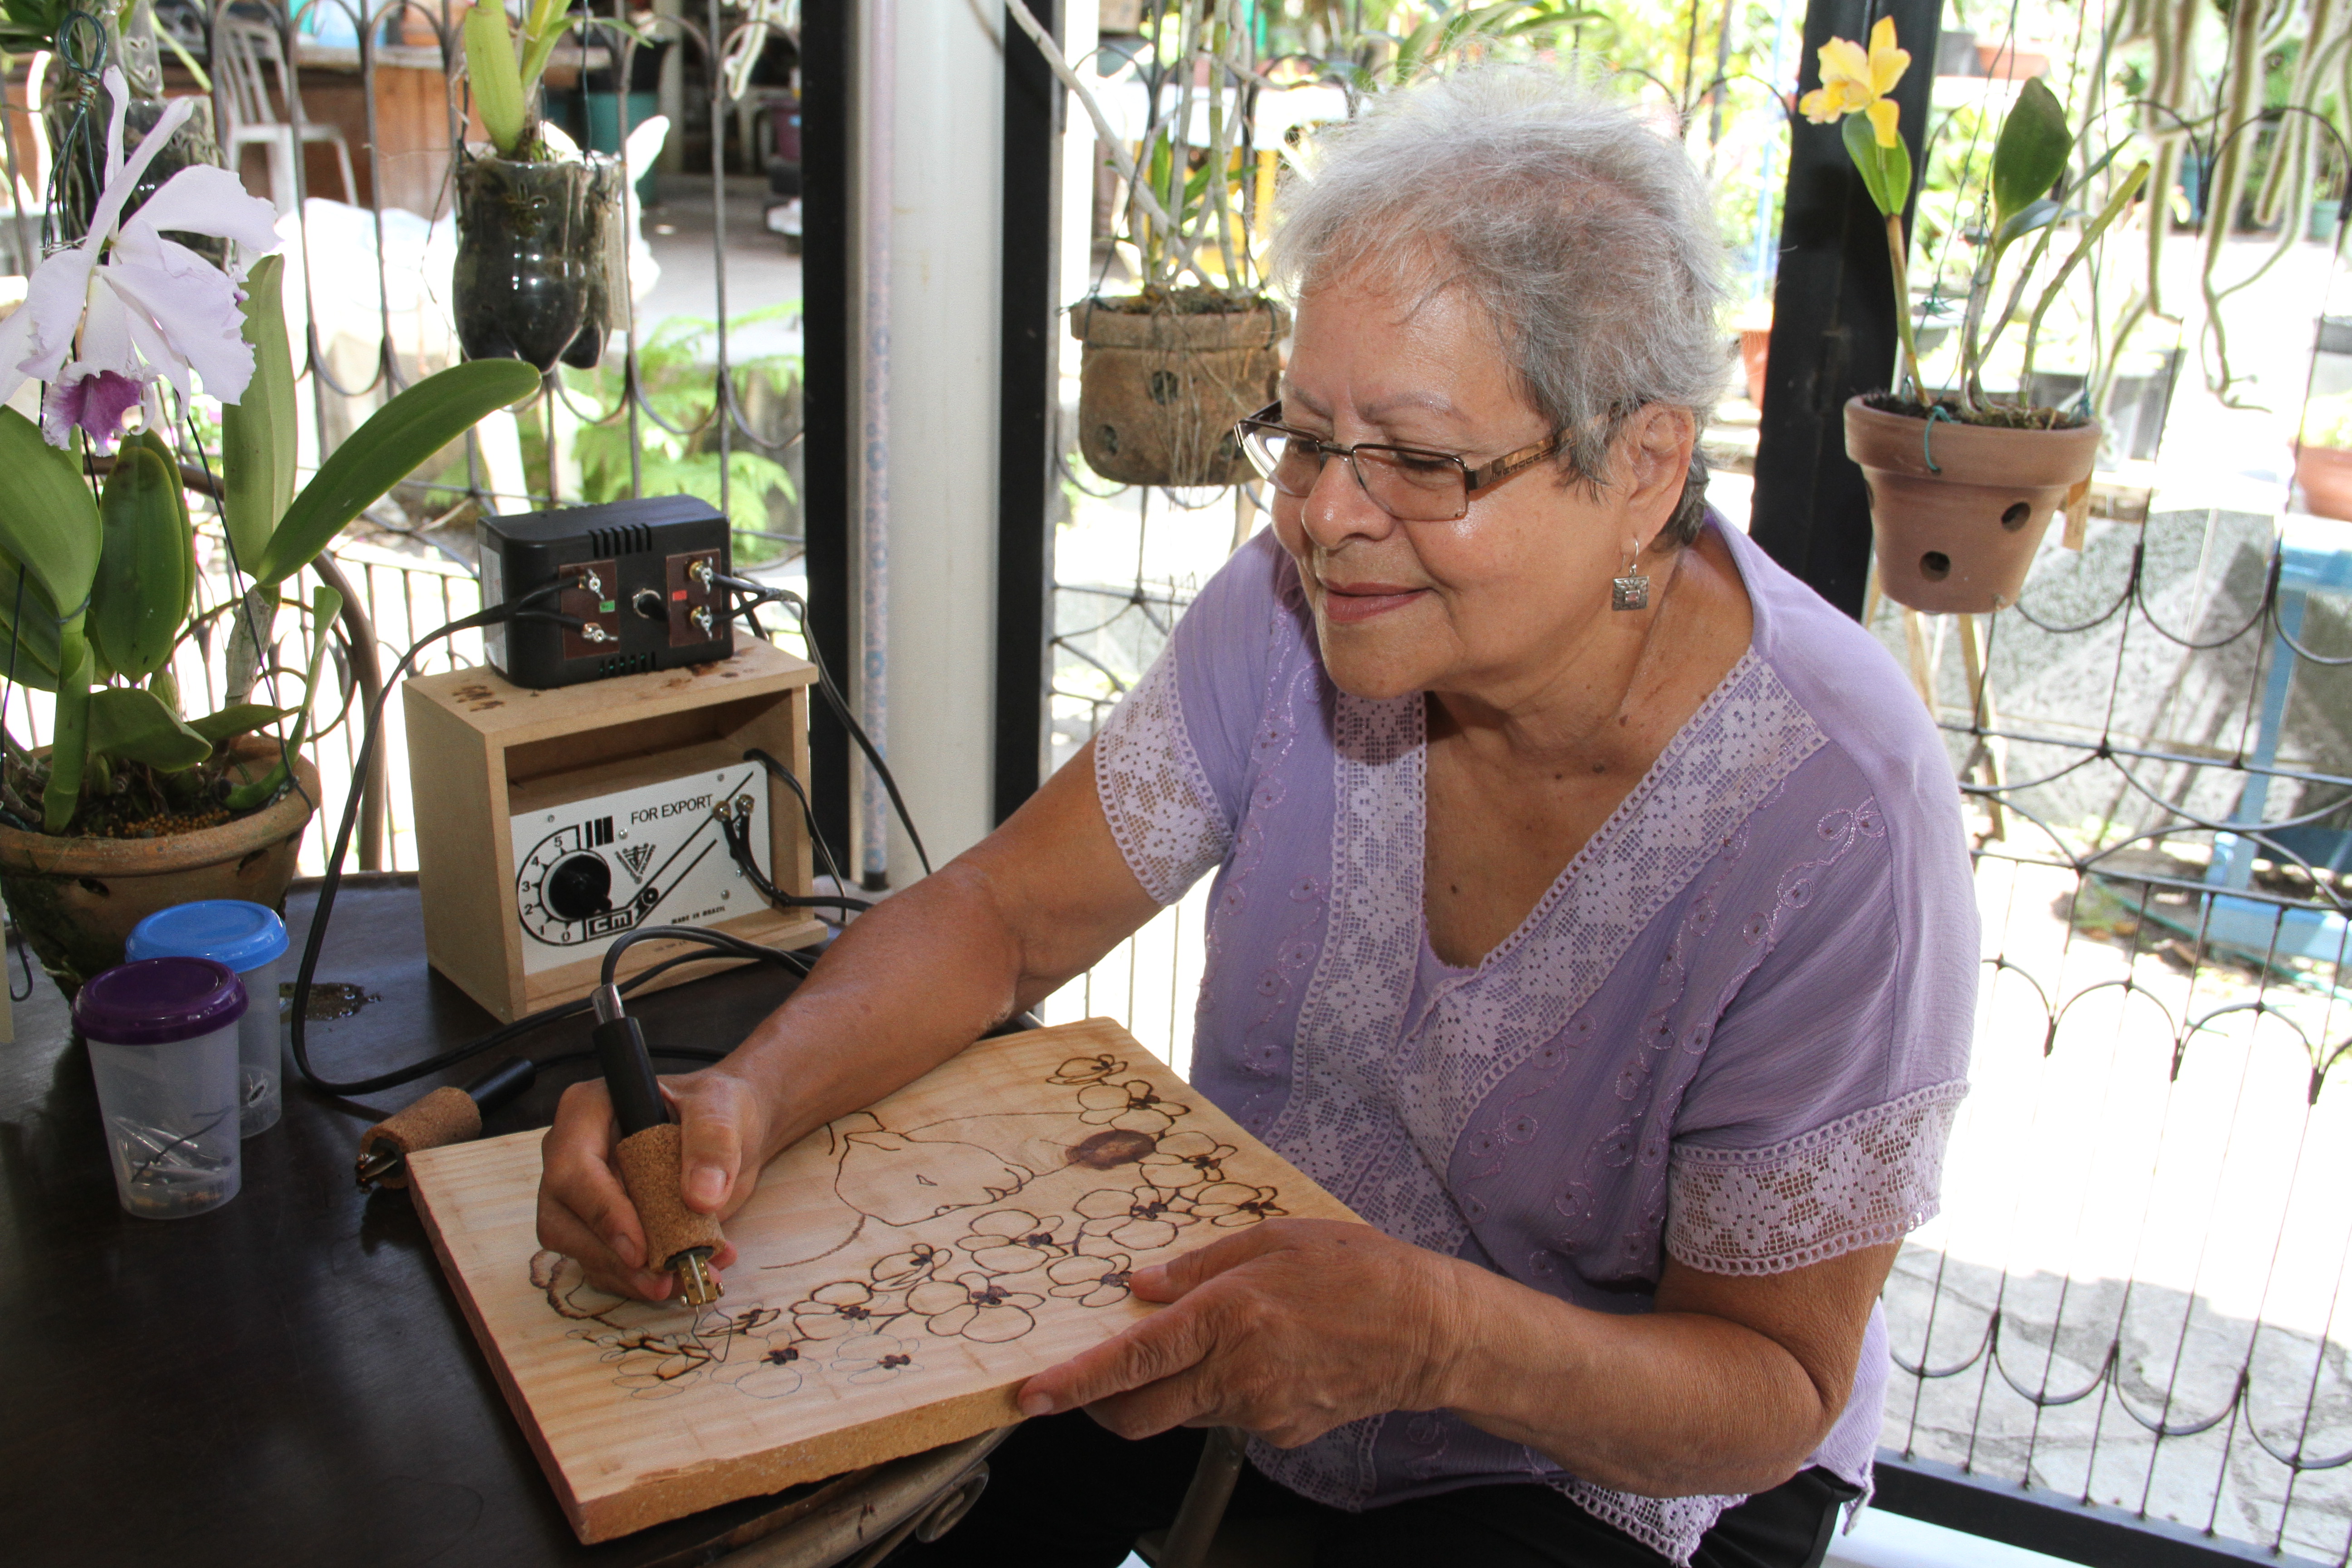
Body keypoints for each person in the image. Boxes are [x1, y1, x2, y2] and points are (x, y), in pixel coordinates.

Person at [536, 65, 1977, 1568]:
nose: (1327, 515)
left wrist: (1432, 1339)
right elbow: (1006, 917)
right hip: (1247, 1326)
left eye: (1421, 461)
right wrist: (748, 1101)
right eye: (1302, 439)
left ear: (1640, 470)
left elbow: (1769, 1389)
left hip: (1603, 1466)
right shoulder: (1302, 610)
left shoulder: (1834, 823)